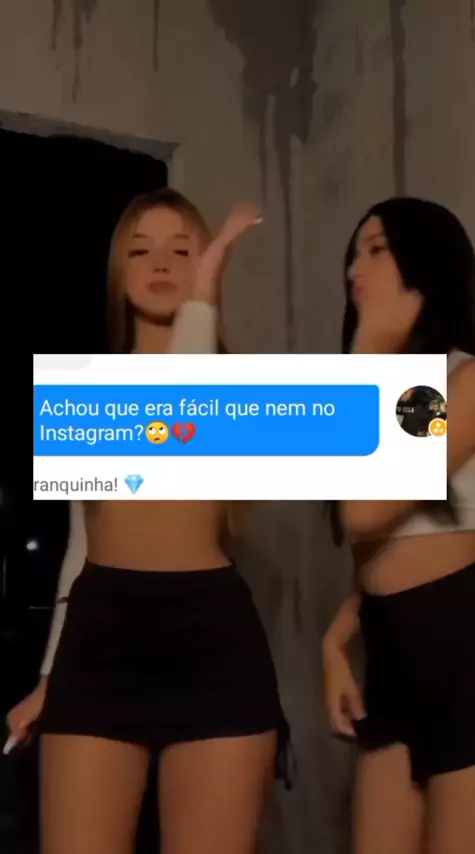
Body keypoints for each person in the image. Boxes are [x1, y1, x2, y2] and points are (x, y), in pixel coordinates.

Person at [8, 189, 292, 854]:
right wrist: (50, 675)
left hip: (213, 641)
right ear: (118, 273)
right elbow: (81, 547)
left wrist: (207, 292)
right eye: (141, 250)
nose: (161, 262)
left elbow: (178, 416)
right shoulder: (83, 391)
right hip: (99, 639)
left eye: (183, 250)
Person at [322, 197, 475, 854]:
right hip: (390, 655)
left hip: (464, 654)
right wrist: (337, 638)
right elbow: (382, 539)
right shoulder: (384, 388)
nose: (354, 269)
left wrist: (370, 353)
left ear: (427, 263)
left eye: (376, 249)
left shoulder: (467, 378)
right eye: (352, 255)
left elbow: (365, 507)